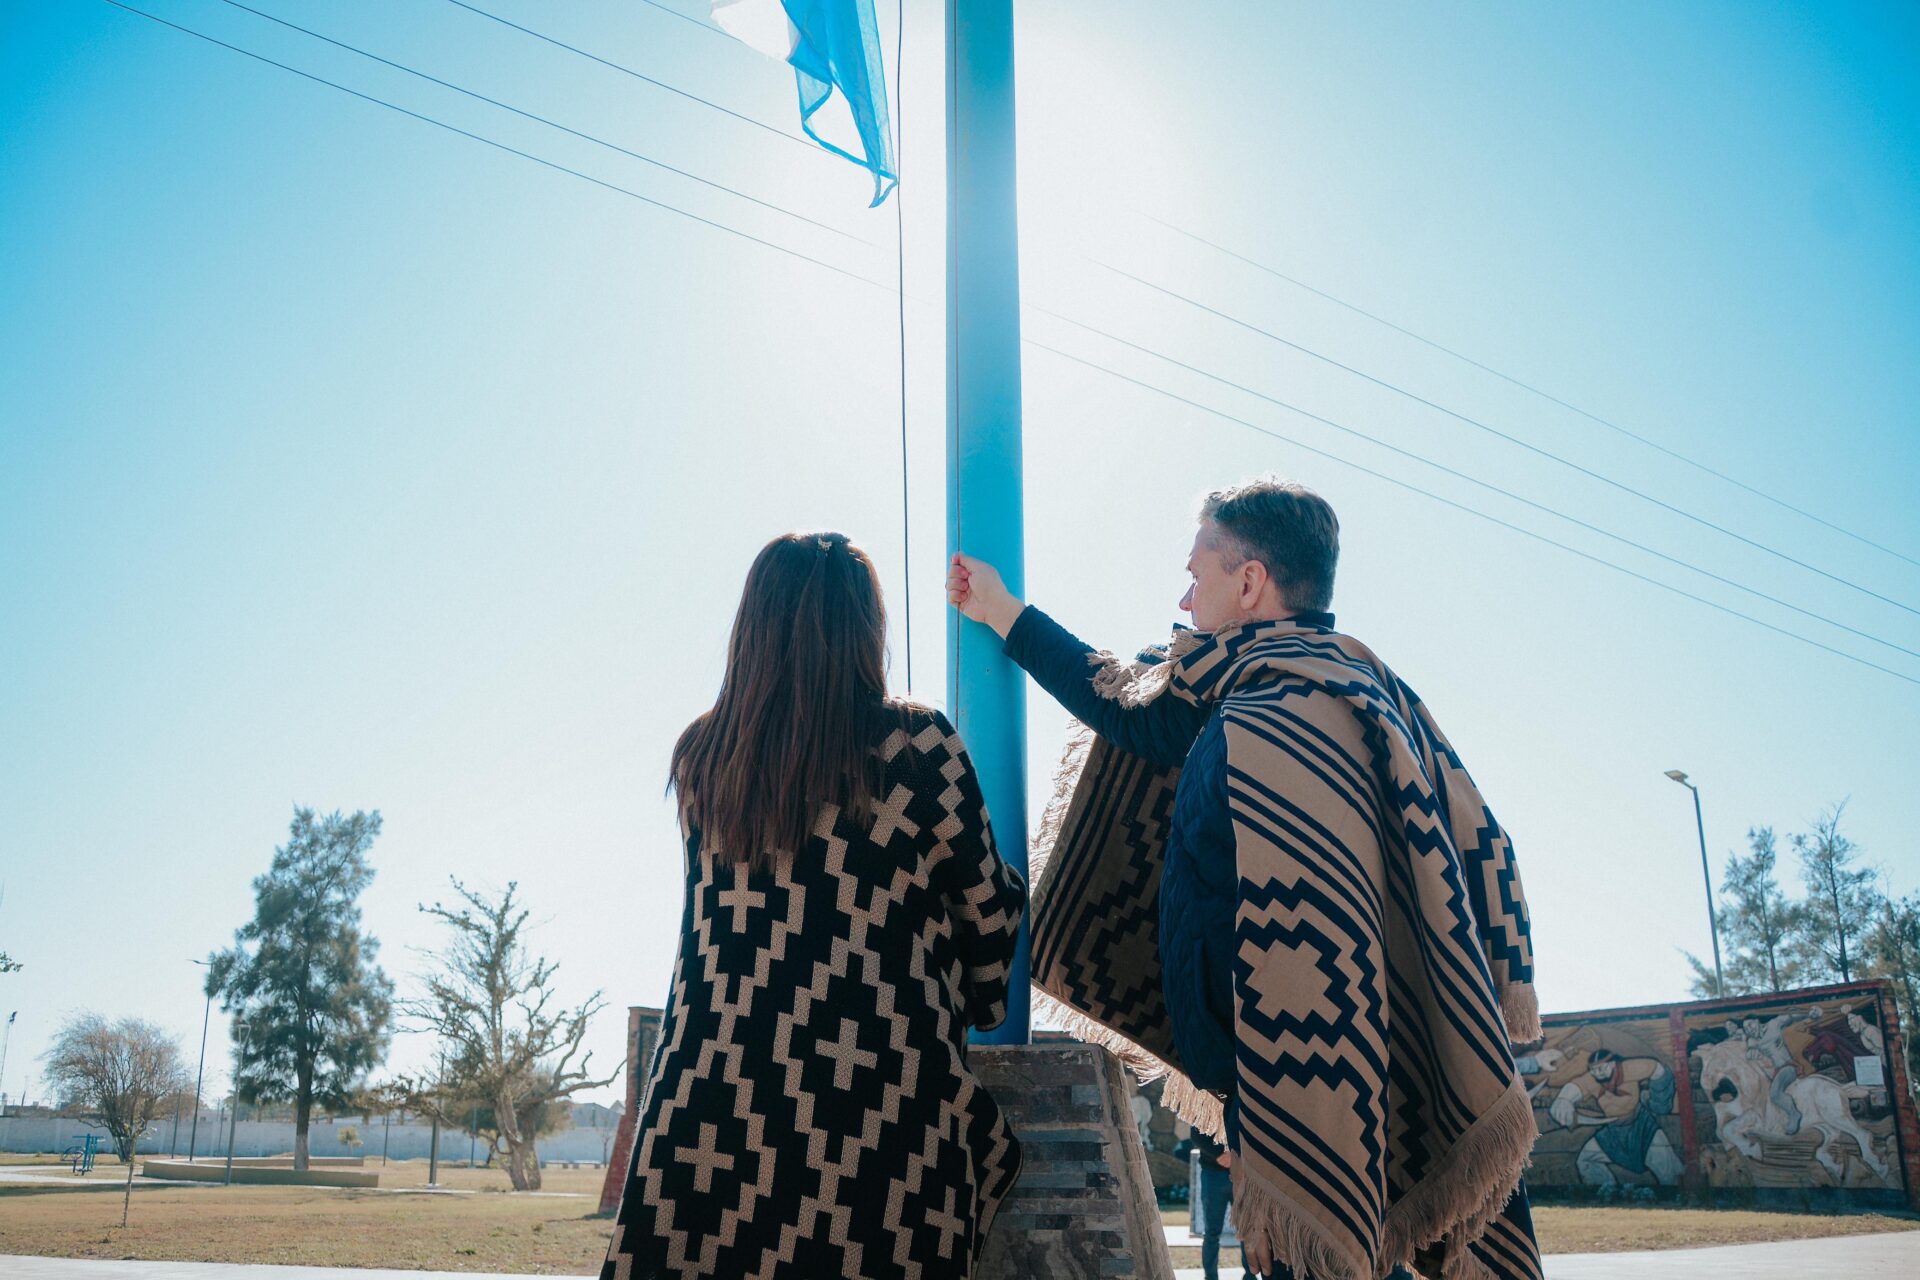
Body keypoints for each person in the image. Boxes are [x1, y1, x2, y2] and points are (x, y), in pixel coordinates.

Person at [948, 477, 1540, 1280]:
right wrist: (1003, 612)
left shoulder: (1292, 719)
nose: (1184, 599)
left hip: (1315, 1098)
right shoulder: (1272, 691)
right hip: (1274, 1094)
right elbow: (1130, 709)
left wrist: (1273, 1116)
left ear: (1251, 581)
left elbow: (1314, 942)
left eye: (1197, 575)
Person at [603, 532, 1027, 1280]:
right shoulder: (918, 745)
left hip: (704, 1115)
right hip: (874, 1122)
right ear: (866, 629)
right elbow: (988, 923)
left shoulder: (705, 758)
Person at [1188, 1127, 1238, 1280]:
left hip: (1240, 1173)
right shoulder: (1204, 1109)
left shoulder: (1240, 1110)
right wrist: (1220, 1154)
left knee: (1247, 1229)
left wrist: (1235, 1155)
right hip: (1213, 1174)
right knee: (1211, 1232)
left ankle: (1250, 1276)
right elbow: (1196, 1135)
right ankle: (1210, 1276)